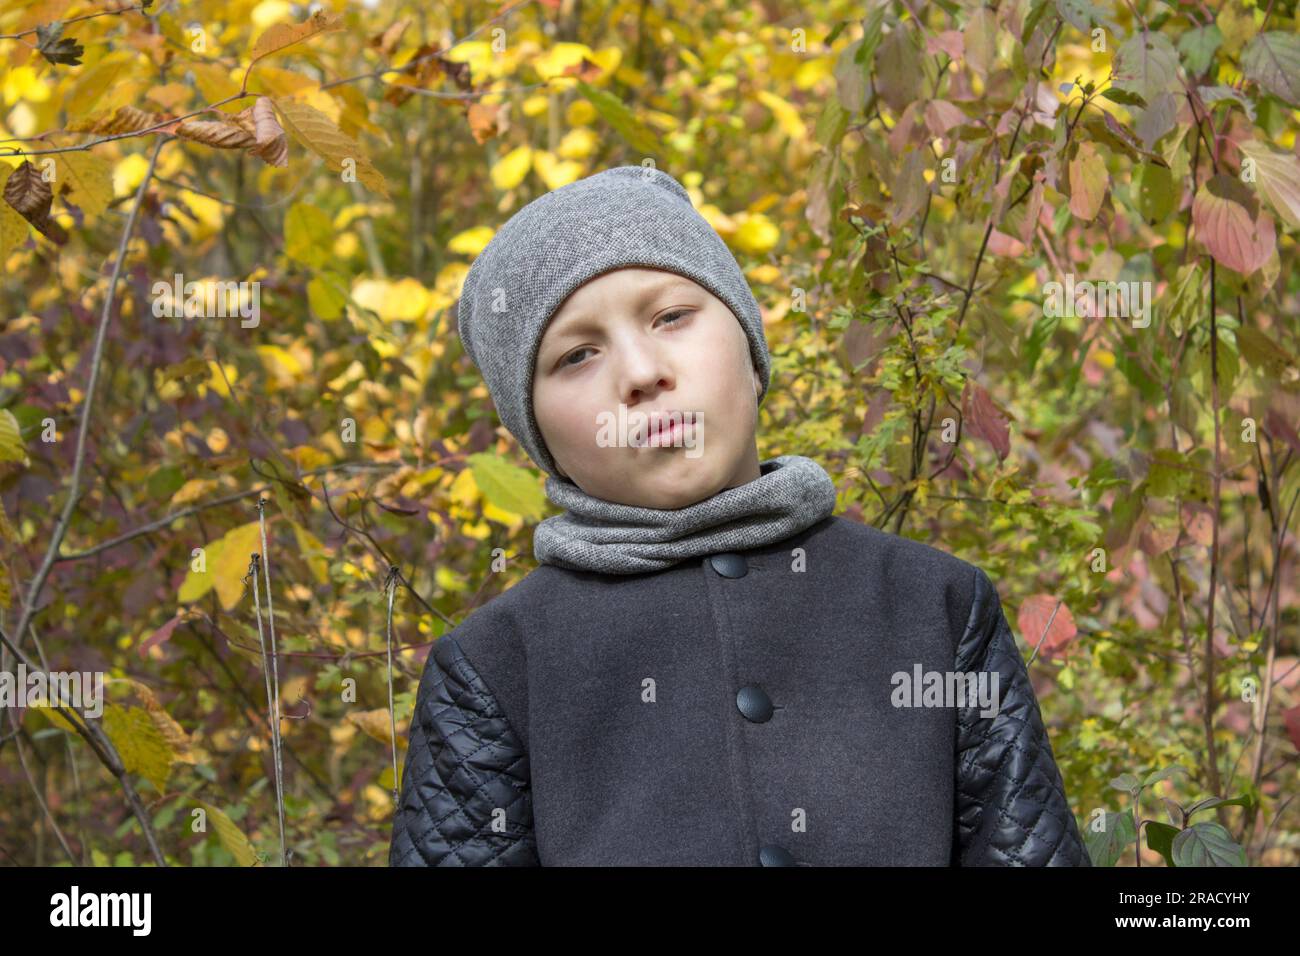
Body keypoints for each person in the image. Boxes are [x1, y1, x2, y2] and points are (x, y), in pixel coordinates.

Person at [388, 164, 1090, 866]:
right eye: (576, 355)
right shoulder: (496, 665)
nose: (640, 373)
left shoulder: (935, 604)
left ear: (752, 352)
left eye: (671, 317)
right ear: (539, 435)